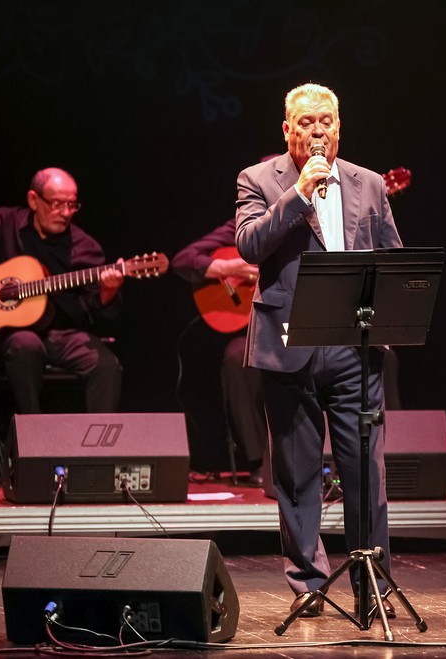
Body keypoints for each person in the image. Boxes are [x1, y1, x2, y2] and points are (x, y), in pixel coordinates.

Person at [235, 83, 401, 618]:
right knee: (298, 475)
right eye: (305, 122)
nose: (317, 131)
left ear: (339, 125)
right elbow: (249, 245)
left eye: (326, 121)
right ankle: (307, 581)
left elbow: (391, 260)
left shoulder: (369, 184)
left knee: (365, 473)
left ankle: (369, 584)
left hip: (354, 351)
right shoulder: (259, 180)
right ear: (287, 130)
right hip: (289, 349)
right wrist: (300, 193)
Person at [0, 167, 124, 414]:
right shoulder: (6, 223)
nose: (65, 213)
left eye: (72, 205)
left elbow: (97, 309)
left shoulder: (85, 247)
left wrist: (109, 290)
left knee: (107, 365)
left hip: (62, 335)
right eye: (56, 204)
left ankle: (102, 446)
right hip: (11, 334)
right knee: (24, 345)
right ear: (33, 199)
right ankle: (33, 441)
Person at [171, 218, 268, 485]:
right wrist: (229, 266)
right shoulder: (247, 222)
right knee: (237, 357)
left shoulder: (317, 222)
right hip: (253, 329)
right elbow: (183, 260)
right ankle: (259, 460)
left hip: (296, 322)